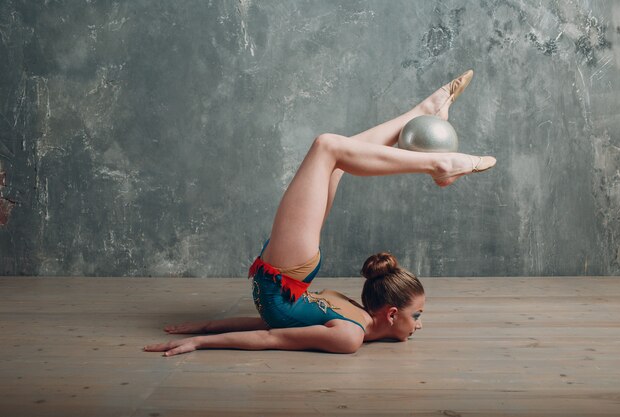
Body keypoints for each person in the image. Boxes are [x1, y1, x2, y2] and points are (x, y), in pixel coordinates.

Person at [143, 70, 495, 356]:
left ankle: (430, 140)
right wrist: (202, 331)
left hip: (285, 275)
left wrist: (203, 336)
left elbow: (272, 334)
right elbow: (275, 330)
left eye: (417, 316)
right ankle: (433, 149)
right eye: (417, 315)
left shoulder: (350, 334)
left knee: (331, 154)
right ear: (390, 313)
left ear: (389, 314)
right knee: (331, 156)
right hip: (285, 274)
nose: (418, 324)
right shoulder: (351, 330)